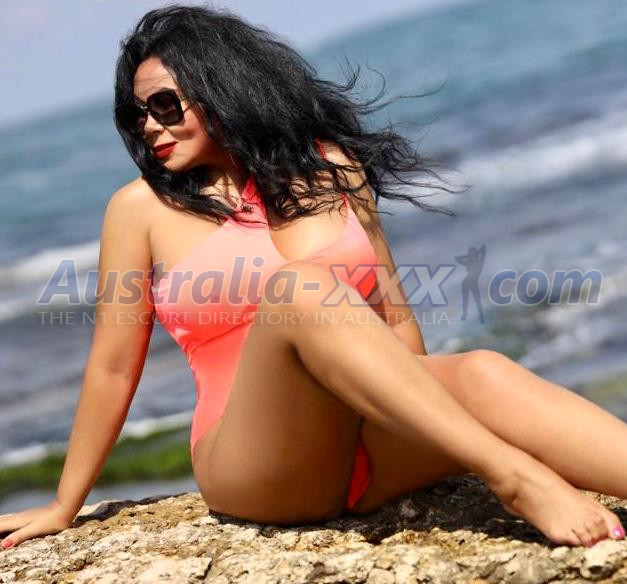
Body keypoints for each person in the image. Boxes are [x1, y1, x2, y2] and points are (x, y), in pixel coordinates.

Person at [1, 4, 625, 552]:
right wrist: (64, 505)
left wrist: (429, 428)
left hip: (367, 446)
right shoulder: (138, 210)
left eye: (164, 105)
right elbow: (113, 368)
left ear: (220, 86)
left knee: (483, 370)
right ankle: (514, 476)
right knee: (300, 288)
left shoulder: (331, 167)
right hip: (256, 461)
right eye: (135, 114)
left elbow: (394, 318)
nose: (148, 126)